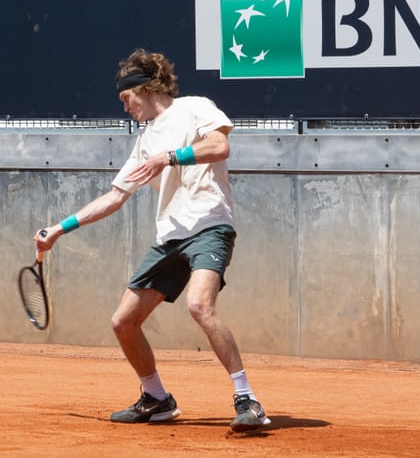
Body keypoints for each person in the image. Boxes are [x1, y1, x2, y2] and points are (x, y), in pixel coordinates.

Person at [34, 48, 270, 432]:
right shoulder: (144, 142)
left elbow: (219, 146)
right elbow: (115, 197)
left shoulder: (194, 107)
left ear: (143, 89)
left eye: (126, 99)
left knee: (199, 306)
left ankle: (248, 400)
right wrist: (58, 229)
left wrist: (170, 157)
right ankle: (157, 399)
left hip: (209, 226)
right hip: (170, 239)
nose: (124, 108)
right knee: (123, 322)